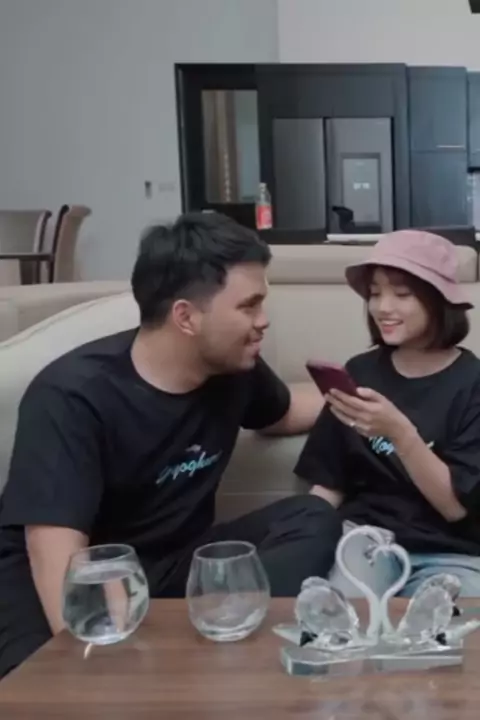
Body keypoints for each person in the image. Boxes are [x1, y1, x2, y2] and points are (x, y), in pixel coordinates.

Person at [0, 212, 341, 678]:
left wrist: (375, 400)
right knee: (45, 688)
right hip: (70, 576)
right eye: (249, 306)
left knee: (311, 516)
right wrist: (105, 662)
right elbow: (57, 554)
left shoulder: (232, 370)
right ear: (186, 316)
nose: (263, 321)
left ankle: (216, 642)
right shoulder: (74, 396)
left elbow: (283, 413)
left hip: (171, 566)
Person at [295, 229, 480, 598]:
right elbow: (329, 484)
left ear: (439, 299)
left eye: (402, 293)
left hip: (451, 552)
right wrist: (300, 545)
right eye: (375, 293)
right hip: (366, 541)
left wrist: (400, 433)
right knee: (343, 615)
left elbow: (455, 508)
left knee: (451, 626)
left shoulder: (473, 383)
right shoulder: (359, 373)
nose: (382, 307)